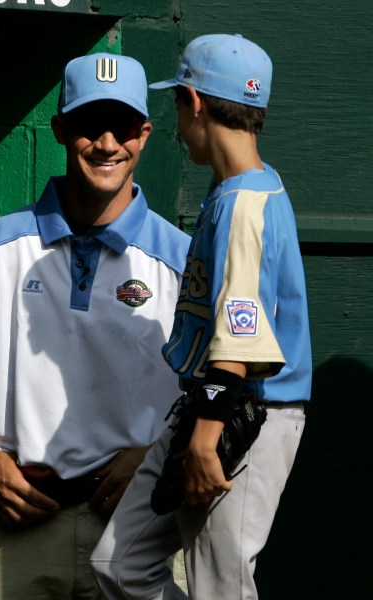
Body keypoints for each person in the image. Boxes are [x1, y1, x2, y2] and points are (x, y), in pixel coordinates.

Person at [0, 52, 190, 600]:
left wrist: (157, 459)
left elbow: (214, 393)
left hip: (142, 527)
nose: (106, 143)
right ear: (60, 129)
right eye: (89, 124)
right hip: (22, 528)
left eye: (123, 125)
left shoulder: (183, 261)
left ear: (145, 135)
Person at [90, 33, 312, 600]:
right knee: (120, 563)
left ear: (192, 102)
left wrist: (205, 440)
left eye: (175, 104)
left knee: (220, 586)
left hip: (246, 410)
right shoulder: (237, 187)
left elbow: (239, 339)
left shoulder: (245, 204)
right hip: (208, 402)